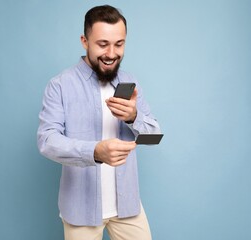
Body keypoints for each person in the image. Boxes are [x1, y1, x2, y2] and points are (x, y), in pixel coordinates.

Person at [37, 5, 161, 240]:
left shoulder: (129, 82)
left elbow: (154, 135)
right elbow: (47, 140)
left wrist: (134, 117)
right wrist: (94, 151)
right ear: (85, 41)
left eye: (119, 44)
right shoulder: (60, 85)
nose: (112, 53)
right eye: (102, 44)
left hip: (128, 207)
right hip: (81, 209)